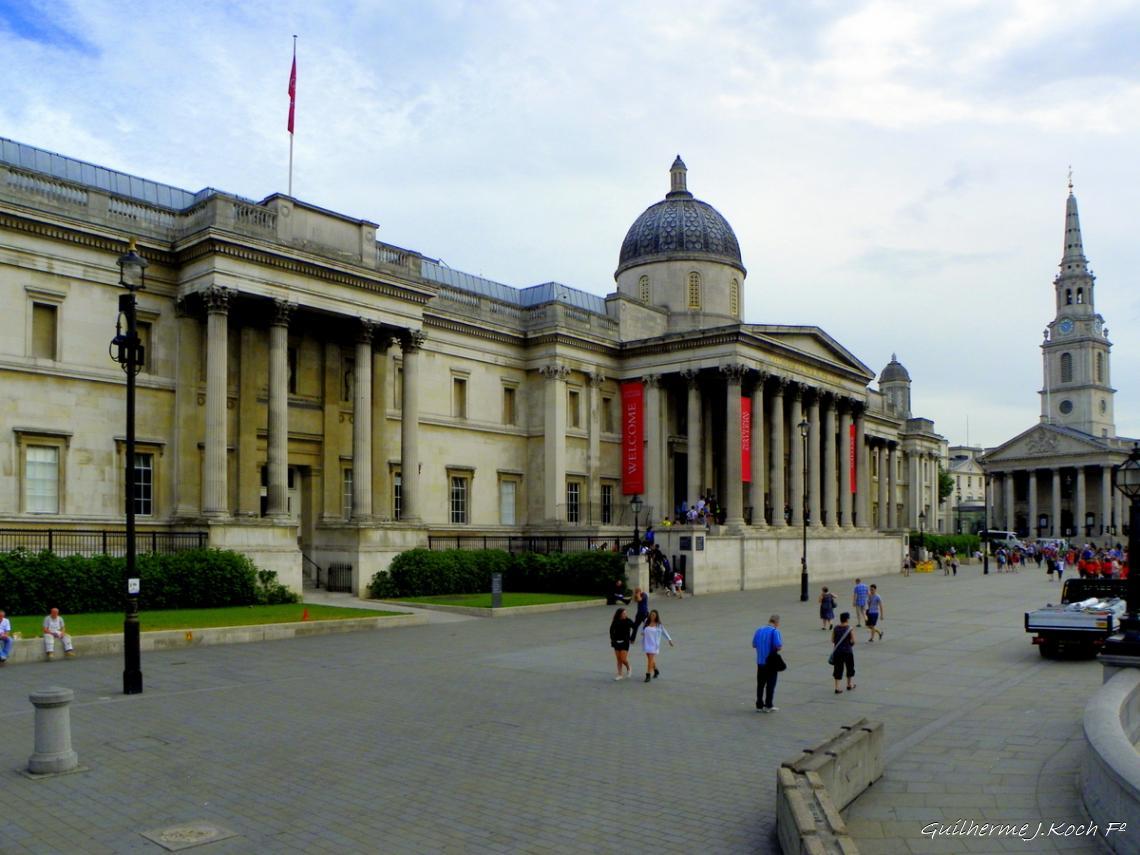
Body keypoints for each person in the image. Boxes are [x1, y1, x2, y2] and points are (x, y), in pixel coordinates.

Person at [752, 614, 782, 712]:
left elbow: (754, 644)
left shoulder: (759, 630)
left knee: (760, 684)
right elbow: (778, 645)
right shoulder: (775, 631)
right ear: (776, 623)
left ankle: (759, 705)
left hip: (760, 662)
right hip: (771, 663)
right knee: (770, 684)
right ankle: (768, 705)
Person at [640, 609, 674, 682]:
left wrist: (669, 640)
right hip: (646, 643)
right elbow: (643, 628)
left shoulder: (658, 624)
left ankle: (648, 675)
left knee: (650, 660)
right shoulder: (646, 621)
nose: (652, 616)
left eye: (654, 615)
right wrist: (642, 632)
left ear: (656, 616)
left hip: (654, 644)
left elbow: (664, 632)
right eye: (651, 615)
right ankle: (656, 670)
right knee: (650, 659)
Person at [831, 613, 856, 694]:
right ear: (847, 619)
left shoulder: (836, 628)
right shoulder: (849, 629)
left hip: (838, 651)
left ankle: (837, 688)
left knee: (838, 668)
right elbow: (853, 641)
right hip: (847, 651)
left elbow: (832, 640)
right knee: (849, 667)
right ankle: (849, 684)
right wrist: (850, 645)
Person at [609, 607, 634, 680]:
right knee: (618, 659)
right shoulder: (615, 621)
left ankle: (628, 667)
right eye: (624, 613)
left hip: (625, 642)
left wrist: (632, 637)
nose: (625, 615)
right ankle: (620, 674)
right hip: (616, 642)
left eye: (626, 613)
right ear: (619, 614)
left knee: (623, 659)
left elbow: (635, 627)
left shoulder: (628, 621)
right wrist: (612, 639)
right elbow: (611, 631)